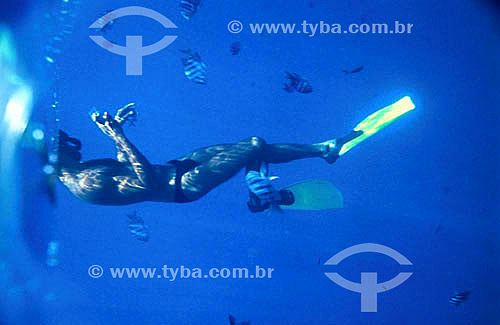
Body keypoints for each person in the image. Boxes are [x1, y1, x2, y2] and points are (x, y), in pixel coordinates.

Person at [57, 103, 358, 207]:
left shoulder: (86, 167)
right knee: (253, 144)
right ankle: (257, 186)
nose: (73, 143)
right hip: (182, 186)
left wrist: (119, 135)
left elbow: (123, 166)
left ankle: (325, 150)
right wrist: (119, 136)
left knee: (251, 148)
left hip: (177, 167)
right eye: (63, 143)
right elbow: (145, 184)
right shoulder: (85, 185)